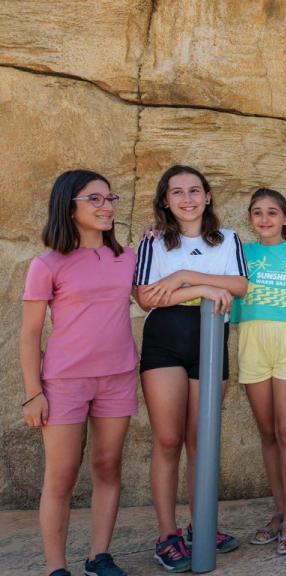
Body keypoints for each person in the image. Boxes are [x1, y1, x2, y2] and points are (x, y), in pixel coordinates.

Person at [21, 170, 138, 576]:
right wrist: (33, 392)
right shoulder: (46, 263)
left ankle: (99, 556)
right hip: (64, 383)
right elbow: (30, 332)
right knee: (62, 476)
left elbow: (157, 296)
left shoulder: (128, 258)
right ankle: (57, 568)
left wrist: (207, 285)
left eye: (110, 198)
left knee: (108, 466)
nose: (107, 206)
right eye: (95, 199)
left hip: (119, 376)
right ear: (68, 207)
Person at [134, 165, 248, 571]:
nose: (187, 198)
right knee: (168, 440)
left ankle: (202, 524)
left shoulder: (228, 239)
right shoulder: (153, 242)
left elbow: (239, 286)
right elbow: (146, 297)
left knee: (203, 440)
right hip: (166, 339)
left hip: (212, 338)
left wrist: (182, 276)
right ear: (165, 199)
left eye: (195, 190)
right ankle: (167, 535)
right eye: (177, 192)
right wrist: (200, 287)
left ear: (208, 196)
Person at [232, 188, 286, 555]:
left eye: (272, 212)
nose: (265, 219)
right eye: (257, 213)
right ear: (250, 219)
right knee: (267, 431)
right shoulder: (242, 254)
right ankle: (279, 509)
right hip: (252, 344)